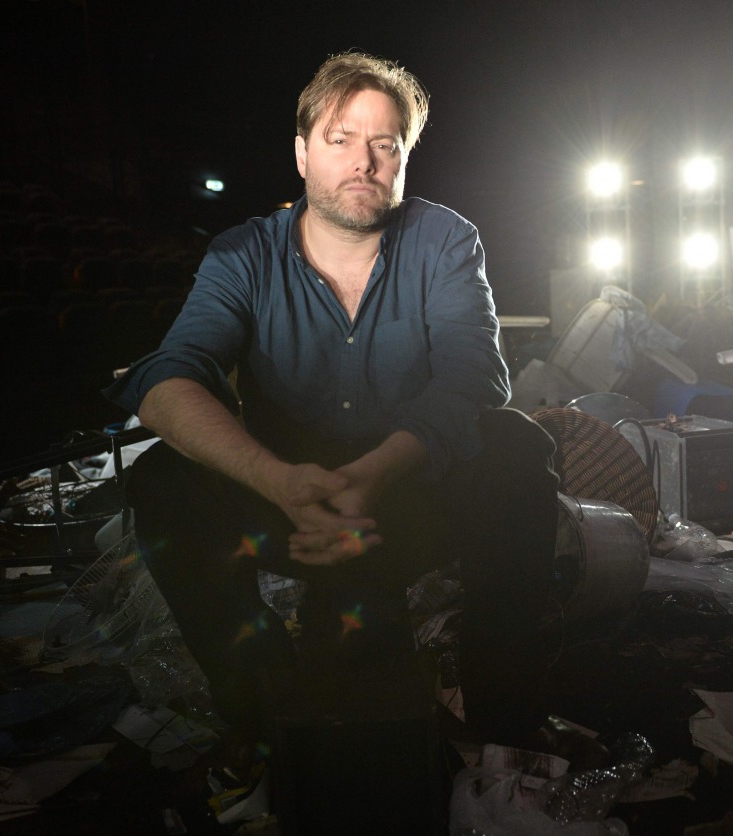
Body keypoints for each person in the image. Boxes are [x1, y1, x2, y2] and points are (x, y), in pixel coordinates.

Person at [104, 52, 604, 780]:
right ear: (303, 153)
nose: (364, 162)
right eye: (341, 139)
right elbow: (168, 377)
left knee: (516, 451)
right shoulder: (242, 254)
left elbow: (475, 373)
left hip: (408, 495)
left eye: (385, 144)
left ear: (405, 158)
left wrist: (374, 475)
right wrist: (280, 483)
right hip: (291, 506)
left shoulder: (444, 240)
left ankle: (506, 723)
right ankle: (264, 718)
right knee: (162, 485)